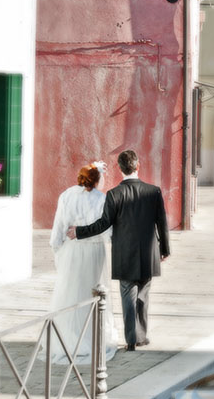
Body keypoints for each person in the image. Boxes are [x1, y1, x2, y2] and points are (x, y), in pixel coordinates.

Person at [68, 148, 169, 351]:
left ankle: (131, 339)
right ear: (138, 166)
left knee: (128, 297)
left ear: (120, 169)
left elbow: (103, 224)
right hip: (149, 254)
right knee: (143, 296)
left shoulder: (114, 194)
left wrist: (79, 232)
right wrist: (164, 249)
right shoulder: (154, 191)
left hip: (125, 255)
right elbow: (162, 223)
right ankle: (141, 336)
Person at [49, 161, 117, 364]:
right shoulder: (101, 198)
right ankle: (90, 336)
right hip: (94, 251)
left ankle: (69, 338)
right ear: (98, 180)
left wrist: (58, 249)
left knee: (71, 291)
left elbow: (59, 226)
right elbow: (107, 230)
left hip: (72, 249)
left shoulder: (66, 195)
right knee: (93, 292)